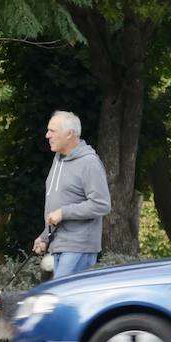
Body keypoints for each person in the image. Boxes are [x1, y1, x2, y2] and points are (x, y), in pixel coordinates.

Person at [32, 111, 111, 278]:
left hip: (79, 247)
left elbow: (101, 204)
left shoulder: (89, 163)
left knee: (62, 300)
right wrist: (44, 236)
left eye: (52, 131)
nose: (47, 135)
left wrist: (63, 213)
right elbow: (58, 206)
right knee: (59, 299)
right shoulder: (58, 160)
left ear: (69, 134)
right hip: (60, 246)